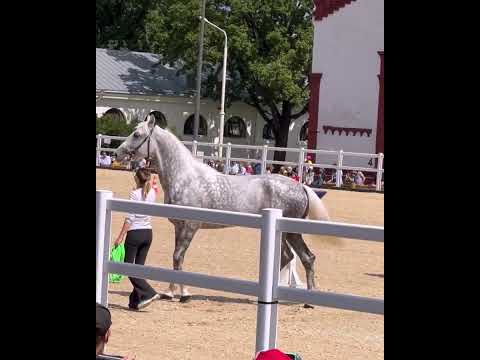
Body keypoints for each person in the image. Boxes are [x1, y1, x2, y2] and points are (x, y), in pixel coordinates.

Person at [114, 168, 160, 310]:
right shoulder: (152, 192)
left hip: (135, 234)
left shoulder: (134, 194)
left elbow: (130, 218)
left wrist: (120, 236)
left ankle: (149, 292)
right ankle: (135, 302)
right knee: (138, 269)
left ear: (137, 178)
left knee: (128, 269)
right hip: (148, 233)